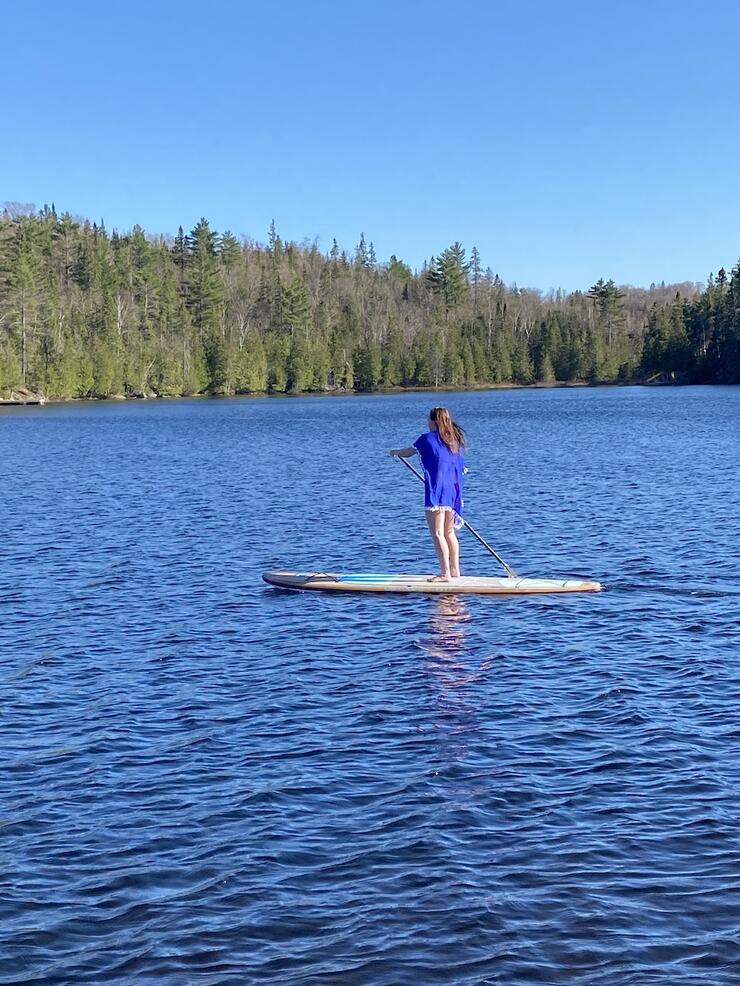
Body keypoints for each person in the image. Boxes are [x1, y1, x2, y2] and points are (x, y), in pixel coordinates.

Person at [389, 407, 466, 582]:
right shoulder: (454, 440)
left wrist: (395, 452)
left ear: (433, 421)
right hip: (452, 493)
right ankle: (455, 571)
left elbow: (409, 452)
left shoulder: (427, 439)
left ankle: (445, 573)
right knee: (449, 533)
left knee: (438, 533)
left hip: (436, 492)